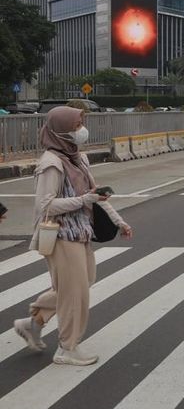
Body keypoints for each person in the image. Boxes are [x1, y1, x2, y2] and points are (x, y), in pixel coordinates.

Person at [14, 106, 133, 366]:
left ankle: (33, 322)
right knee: (75, 294)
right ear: (62, 130)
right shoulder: (51, 163)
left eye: (81, 124)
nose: (81, 130)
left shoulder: (78, 158)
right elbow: (45, 206)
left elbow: (95, 194)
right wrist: (83, 200)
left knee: (80, 285)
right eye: (77, 125)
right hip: (60, 237)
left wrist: (118, 220)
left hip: (81, 233)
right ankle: (67, 348)